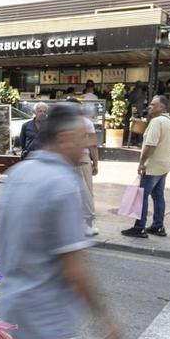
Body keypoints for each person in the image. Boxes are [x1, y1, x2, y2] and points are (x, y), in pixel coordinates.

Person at [0, 103, 120, 339]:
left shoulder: (18, 173)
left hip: (16, 301)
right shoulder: (62, 183)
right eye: (84, 137)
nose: (88, 144)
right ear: (65, 138)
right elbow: (74, 265)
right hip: (47, 310)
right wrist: (103, 314)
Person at [122, 95, 170, 239]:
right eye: (150, 104)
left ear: (162, 107)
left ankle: (140, 227)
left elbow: (150, 145)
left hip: (153, 165)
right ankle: (158, 226)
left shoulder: (157, 122)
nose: (150, 106)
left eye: (153, 104)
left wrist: (142, 162)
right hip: (165, 164)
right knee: (158, 196)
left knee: (142, 196)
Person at [67, 97, 100, 236]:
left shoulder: (61, 123)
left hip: (65, 160)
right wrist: (96, 163)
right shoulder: (86, 123)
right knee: (86, 192)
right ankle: (88, 225)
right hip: (81, 159)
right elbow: (92, 145)